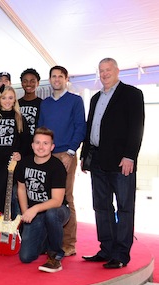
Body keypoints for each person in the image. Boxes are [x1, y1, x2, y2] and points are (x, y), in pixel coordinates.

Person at [80, 58, 145, 269]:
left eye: (108, 70)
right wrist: (85, 155)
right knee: (101, 207)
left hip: (121, 162)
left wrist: (130, 156)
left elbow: (137, 127)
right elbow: (91, 127)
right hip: (97, 160)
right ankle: (106, 249)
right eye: (101, 71)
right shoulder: (96, 97)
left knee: (125, 208)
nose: (104, 74)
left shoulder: (132, 94)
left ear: (117, 71)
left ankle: (121, 254)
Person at [38, 65, 86, 257]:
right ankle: (48, 242)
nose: (56, 79)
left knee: (66, 197)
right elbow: (41, 129)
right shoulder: (46, 103)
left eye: (60, 76)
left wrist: (70, 153)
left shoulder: (75, 101)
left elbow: (80, 127)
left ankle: (68, 244)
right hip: (45, 155)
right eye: (53, 76)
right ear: (49, 79)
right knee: (45, 198)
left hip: (66, 154)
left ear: (66, 79)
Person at [16, 127, 70, 272]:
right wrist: (25, 212)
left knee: (51, 214)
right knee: (26, 257)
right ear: (32, 145)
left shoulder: (57, 167)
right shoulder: (24, 163)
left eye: (45, 143)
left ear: (52, 147)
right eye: (38, 143)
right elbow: (21, 188)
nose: (41, 147)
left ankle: (55, 257)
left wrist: (34, 209)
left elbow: (57, 201)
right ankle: (46, 237)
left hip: (58, 211)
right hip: (36, 213)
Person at [0, 85, 30, 218]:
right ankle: (1, 224)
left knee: (0, 194)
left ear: (15, 100)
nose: (7, 101)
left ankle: (6, 222)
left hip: (11, 165)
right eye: (4, 98)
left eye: (10, 98)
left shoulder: (20, 118)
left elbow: (26, 141)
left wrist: (20, 153)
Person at [18, 68, 42, 137]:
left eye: (32, 81)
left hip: (36, 143)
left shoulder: (43, 104)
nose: (28, 84)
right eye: (25, 81)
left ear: (38, 83)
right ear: (22, 83)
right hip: (19, 145)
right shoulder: (16, 104)